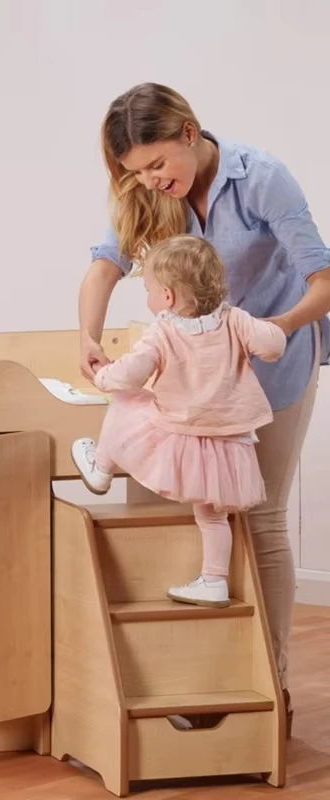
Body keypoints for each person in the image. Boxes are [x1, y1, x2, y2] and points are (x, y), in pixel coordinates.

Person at [79, 82, 330, 738]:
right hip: (188, 386)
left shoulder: (263, 180)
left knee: (263, 523)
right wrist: (87, 334)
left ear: (189, 132)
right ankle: (195, 679)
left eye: (158, 164)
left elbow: (322, 280)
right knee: (189, 522)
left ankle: (269, 688)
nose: (152, 180)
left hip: (269, 373)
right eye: (137, 171)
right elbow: (105, 266)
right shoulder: (146, 190)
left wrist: (268, 329)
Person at [73, 235, 286, 608]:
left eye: (150, 290)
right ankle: (213, 580)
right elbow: (273, 345)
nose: (150, 299)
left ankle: (101, 467)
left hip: (183, 437)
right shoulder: (234, 320)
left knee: (124, 400)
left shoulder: (164, 329)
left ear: (168, 297)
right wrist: (262, 331)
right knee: (212, 518)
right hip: (227, 444)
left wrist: (103, 376)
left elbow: (130, 376)